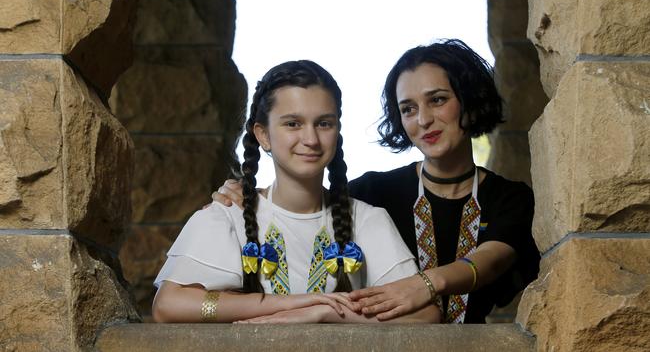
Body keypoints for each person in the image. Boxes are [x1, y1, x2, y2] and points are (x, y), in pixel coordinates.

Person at [212, 40, 540, 323]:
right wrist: (253, 196)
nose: (423, 119)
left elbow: (491, 261)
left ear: (469, 99)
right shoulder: (371, 193)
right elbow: (305, 209)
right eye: (408, 109)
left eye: (437, 100)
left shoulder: (509, 198)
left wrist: (425, 283)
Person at [152, 60, 440, 324]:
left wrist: (325, 314)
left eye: (324, 123)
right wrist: (292, 304)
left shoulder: (367, 220)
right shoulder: (228, 213)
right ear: (262, 134)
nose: (311, 139)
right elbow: (169, 306)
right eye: (293, 124)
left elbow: (426, 316)